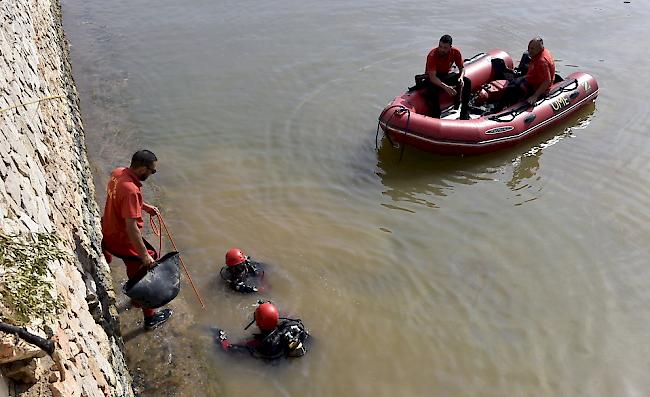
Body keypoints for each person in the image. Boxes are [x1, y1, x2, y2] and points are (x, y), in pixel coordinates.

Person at [101, 150, 173, 330]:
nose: (152, 174)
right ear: (142, 168)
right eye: (152, 171)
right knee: (146, 271)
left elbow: (122, 200)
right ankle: (150, 318)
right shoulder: (132, 190)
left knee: (141, 262)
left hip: (108, 233)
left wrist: (145, 207)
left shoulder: (118, 173)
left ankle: (133, 298)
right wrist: (145, 257)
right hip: (122, 241)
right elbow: (132, 228)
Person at [214, 301, 309, 359]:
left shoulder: (259, 343)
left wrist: (221, 337)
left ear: (258, 323)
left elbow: (229, 350)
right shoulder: (290, 326)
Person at [423, 34, 472, 120]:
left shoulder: (455, 52)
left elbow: (462, 68)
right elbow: (433, 78)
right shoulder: (432, 55)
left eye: (445, 48)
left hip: (445, 75)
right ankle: (435, 116)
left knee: (467, 81)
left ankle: (464, 113)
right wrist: (446, 87)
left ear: (450, 47)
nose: (441, 49)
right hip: (432, 78)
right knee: (432, 90)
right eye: (440, 46)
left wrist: (461, 77)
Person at [499, 37, 556, 108]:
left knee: (512, 89)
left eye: (532, 49)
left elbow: (547, 81)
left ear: (539, 48)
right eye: (529, 48)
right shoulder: (542, 52)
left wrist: (535, 96)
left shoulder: (541, 61)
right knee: (513, 83)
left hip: (536, 86)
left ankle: (503, 106)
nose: (529, 51)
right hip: (533, 78)